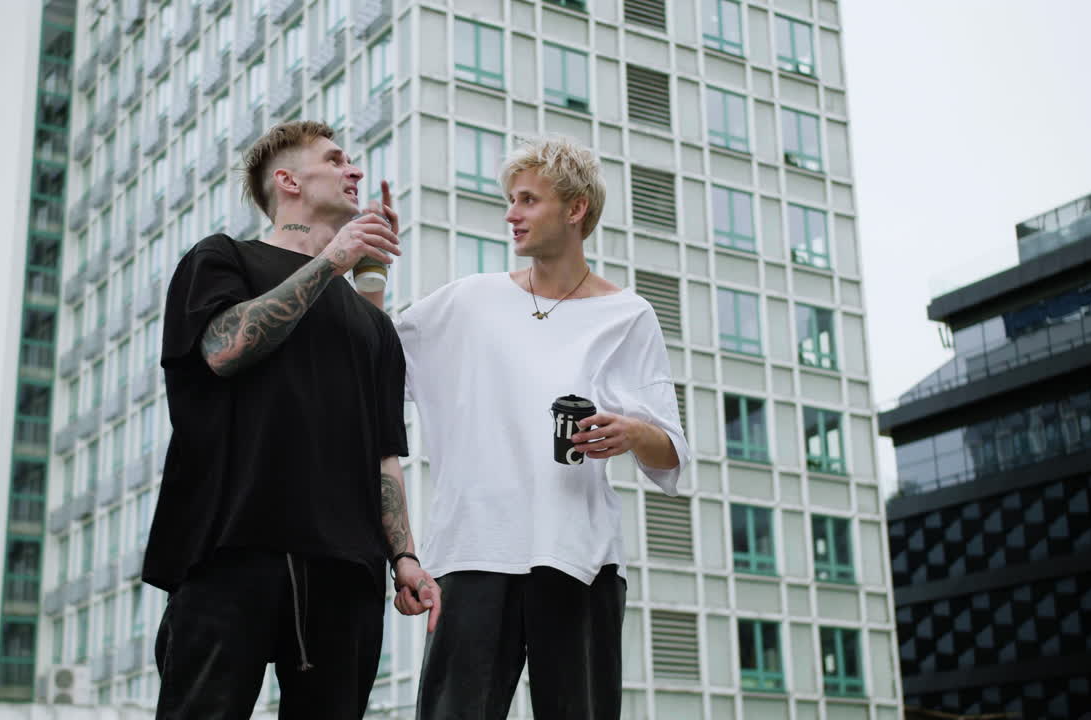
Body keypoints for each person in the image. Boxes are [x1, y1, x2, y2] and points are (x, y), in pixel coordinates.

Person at [142, 120, 440, 720]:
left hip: (346, 570)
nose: (354, 170)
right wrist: (333, 260)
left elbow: (384, 452)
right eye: (335, 160)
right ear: (288, 181)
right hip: (232, 550)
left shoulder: (374, 325)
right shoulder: (222, 257)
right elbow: (224, 349)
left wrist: (404, 557)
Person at [389, 136, 691, 719]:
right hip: (473, 550)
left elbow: (670, 453)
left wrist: (631, 432)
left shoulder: (628, 315)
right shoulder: (469, 302)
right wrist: (370, 267)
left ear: (575, 208)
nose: (511, 213)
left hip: (578, 556)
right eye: (510, 199)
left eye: (528, 199)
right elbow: (372, 356)